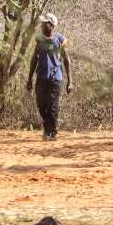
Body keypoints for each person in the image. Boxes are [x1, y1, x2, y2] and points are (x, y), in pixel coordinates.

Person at [26, 12, 72, 140]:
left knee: (52, 106)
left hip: (55, 78)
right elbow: (34, 59)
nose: (41, 25)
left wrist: (70, 81)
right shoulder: (39, 40)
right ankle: (49, 128)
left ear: (51, 25)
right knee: (41, 105)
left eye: (44, 23)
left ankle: (51, 133)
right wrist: (29, 78)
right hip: (41, 77)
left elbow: (66, 60)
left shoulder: (60, 40)